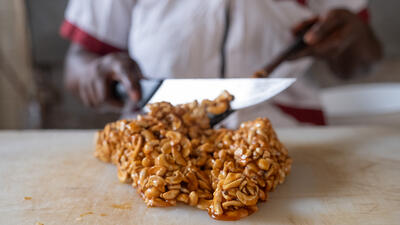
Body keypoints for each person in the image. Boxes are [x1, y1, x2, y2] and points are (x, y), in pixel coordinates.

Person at [61, 0, 382, 127]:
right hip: (154, 134)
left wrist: (353, 39)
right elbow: (77, 64)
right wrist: (95, 75)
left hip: (289, 135)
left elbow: (360, 66)